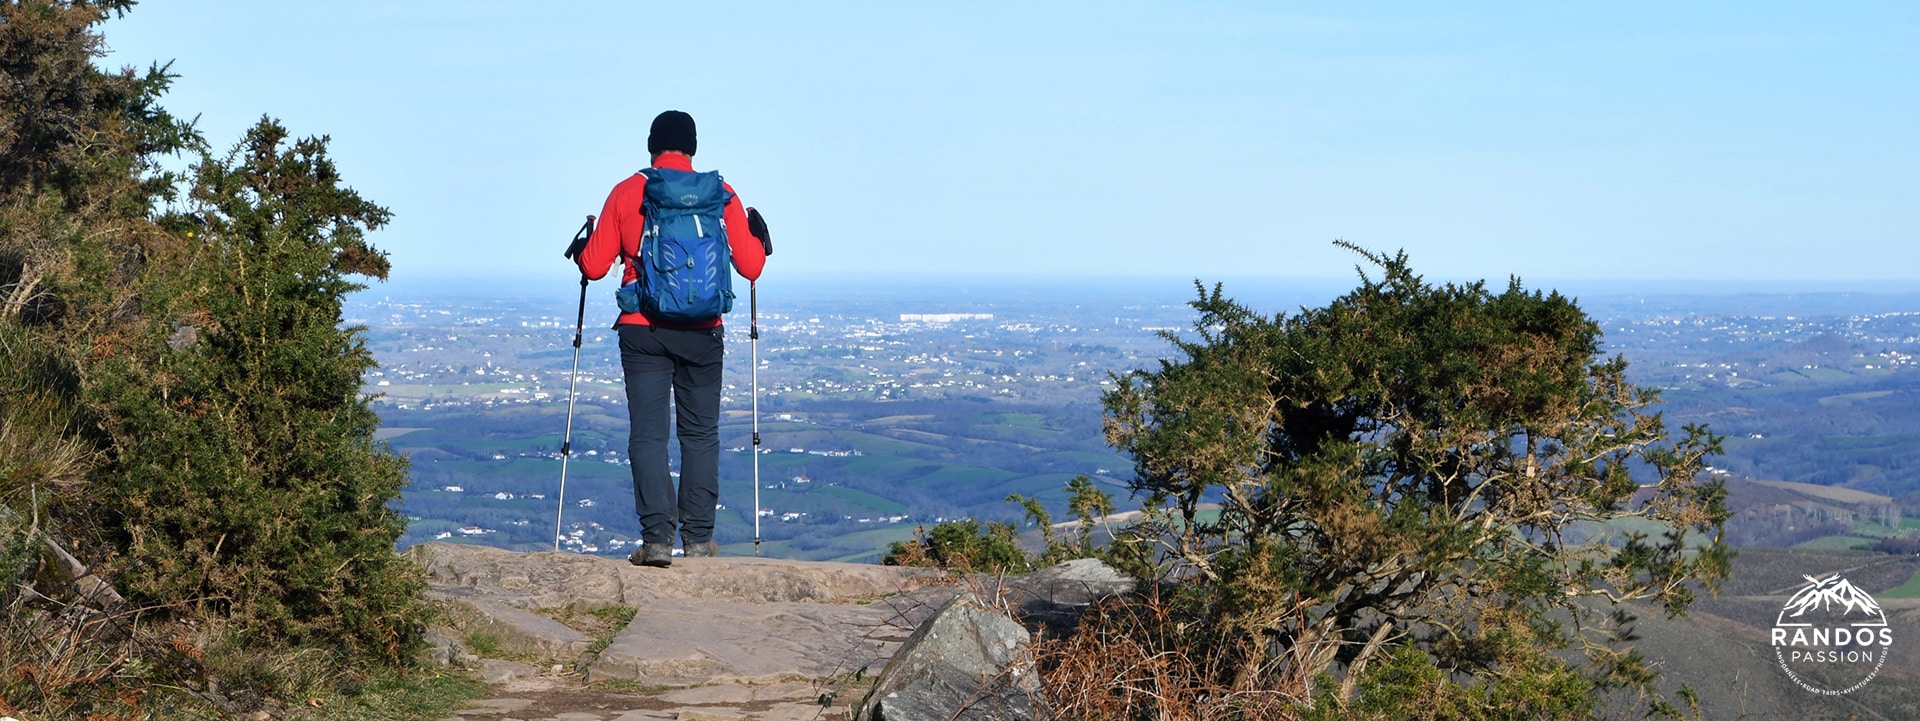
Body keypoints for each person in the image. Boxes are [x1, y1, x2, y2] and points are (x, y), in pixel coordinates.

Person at [573, 110, 767, 567]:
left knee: (649, 434)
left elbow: (595, 266)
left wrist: (583, 246)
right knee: (700, 435)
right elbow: (752, 266)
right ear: (693, 147)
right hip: (703, 333)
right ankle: (698, 539)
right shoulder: (721, 193)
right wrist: (758, 234)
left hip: (644, 331)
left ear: (651, 145)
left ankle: (657, 540)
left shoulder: (628, 192)